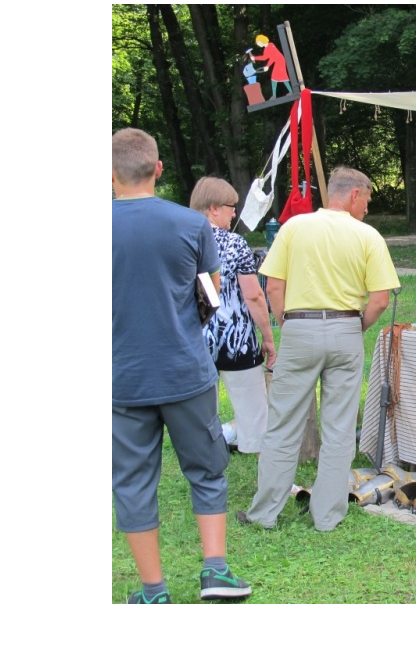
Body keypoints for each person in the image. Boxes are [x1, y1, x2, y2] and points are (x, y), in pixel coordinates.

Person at [112, 128, 251, 603]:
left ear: (109, 174)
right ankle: (215, 571)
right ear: (159, 169)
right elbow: (211, 296)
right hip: (185, 370)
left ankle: (153, 592)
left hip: (120, 377)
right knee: (207, 470)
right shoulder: (191, 225)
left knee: (132, 482)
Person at [239, 166, 400, 532]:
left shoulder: (294, 227)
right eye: (368, 201)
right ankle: (327, 516)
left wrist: (289, 322)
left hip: (298, 327)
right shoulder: (368, 236)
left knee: (282, 425)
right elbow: (377, 301)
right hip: (346, 328)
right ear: (355, 195)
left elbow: (274, 287)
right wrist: (353, 327)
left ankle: (265, 514)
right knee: (340, 427)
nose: (368, 209)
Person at [189, 177, 277, 456]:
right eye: (230, 207)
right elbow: (253, 296)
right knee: (253, 409)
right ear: (213, 208)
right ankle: (259, 457)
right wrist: (268, 337)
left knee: (202, 412)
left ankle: (206, 460)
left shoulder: (182, 240)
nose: (235, 213)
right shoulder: (234, 243)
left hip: (193, 339)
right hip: (236, 340)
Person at [252, 34, 292, 99]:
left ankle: (290, 92)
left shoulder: (271, 45)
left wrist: (267, 66)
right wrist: (254, 58)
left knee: (282, 77)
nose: (258, 44)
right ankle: (274, 95)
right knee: (274, 77)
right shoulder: (266, 49)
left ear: (262, 41)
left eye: (258, 43)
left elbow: (273, 57)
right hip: (277, 62)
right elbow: (264, 57)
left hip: (280, 61)